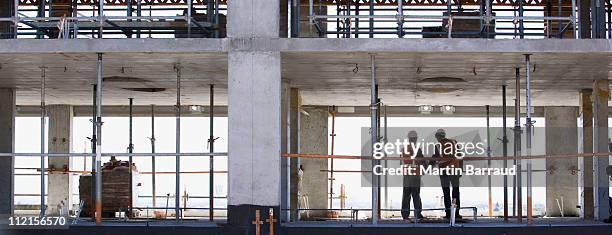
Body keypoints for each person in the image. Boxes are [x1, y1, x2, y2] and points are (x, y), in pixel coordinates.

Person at [432, 128, 462, 220]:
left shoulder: (438, 145)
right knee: (455, 192)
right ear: (444, 135)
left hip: (444, 171)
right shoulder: (454, 142)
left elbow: (435, 157)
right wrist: (460, 169)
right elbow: (460, 155)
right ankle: (456, 213)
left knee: (446, 192)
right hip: (455, 170)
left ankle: (449, 213)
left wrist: (429, 165)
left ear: (437, 136)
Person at [401, 130, 425, 220]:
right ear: (415, 139)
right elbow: (422, 161)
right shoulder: (417, 149)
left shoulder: (404, 149)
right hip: (415, 174)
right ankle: (417, 214)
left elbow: (401, 162)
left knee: (406, 194)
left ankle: (405, 215)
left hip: (406, 174)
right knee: (416, 194)